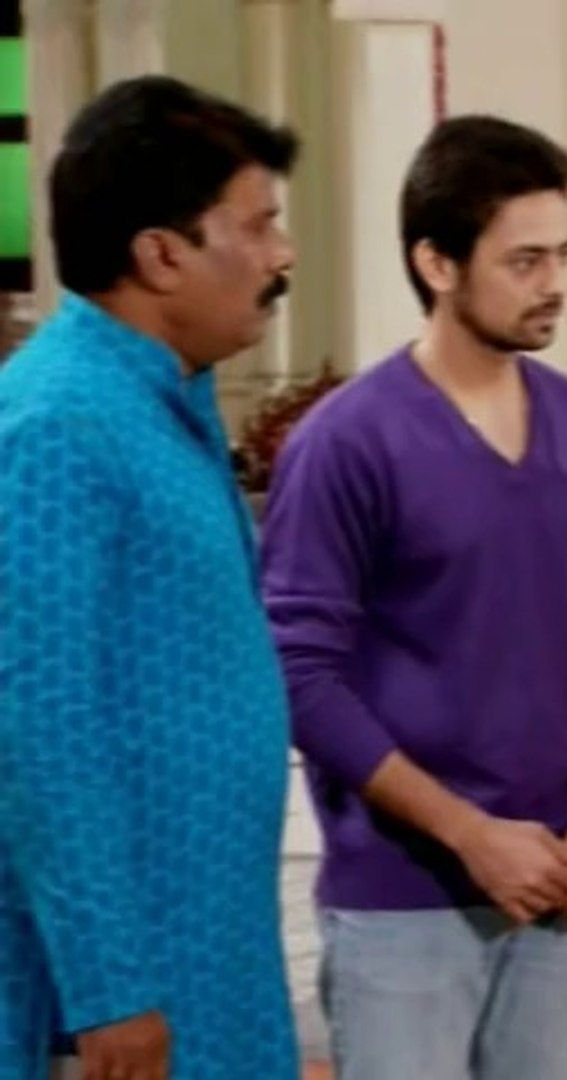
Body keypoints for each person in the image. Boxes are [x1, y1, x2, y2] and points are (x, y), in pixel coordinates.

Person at [259, 115, 567, 1080]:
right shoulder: (346, 443)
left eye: (563, 255)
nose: (554, 283)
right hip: (402, 902)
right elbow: (300, 674)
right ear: (436, 263)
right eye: (525, 261)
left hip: (558, 886)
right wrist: (469, 834)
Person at [0, 76, 300, 1080]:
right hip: (121, 990)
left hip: (204, 945)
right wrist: (108, 986)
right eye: (256, 226)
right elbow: (40, 719)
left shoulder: (161, 401)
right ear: (161, 254)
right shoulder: (57, 423)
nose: (281, 255)